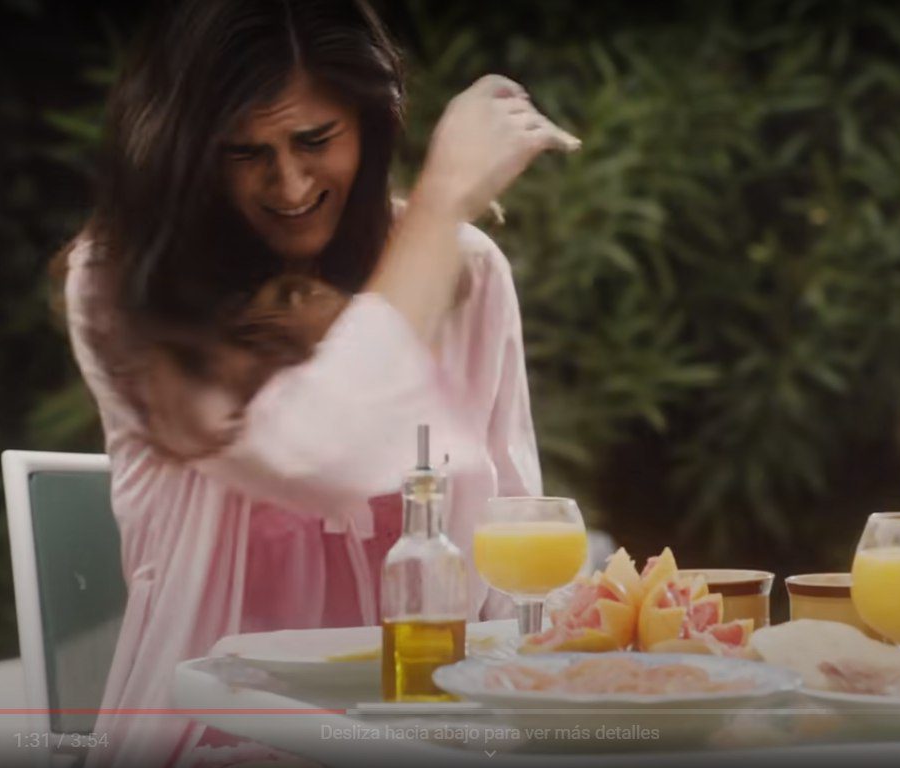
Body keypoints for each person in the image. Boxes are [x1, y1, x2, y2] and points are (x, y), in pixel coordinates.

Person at [53, 0, 580, 765]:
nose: (290, 183)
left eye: (315, 139)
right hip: (209, 741)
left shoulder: (468, 270)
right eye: (245, 152)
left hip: (426, 737)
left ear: (369, 121)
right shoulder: (123, 287)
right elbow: (315, 452)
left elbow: (510, 548)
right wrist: (440, 205)